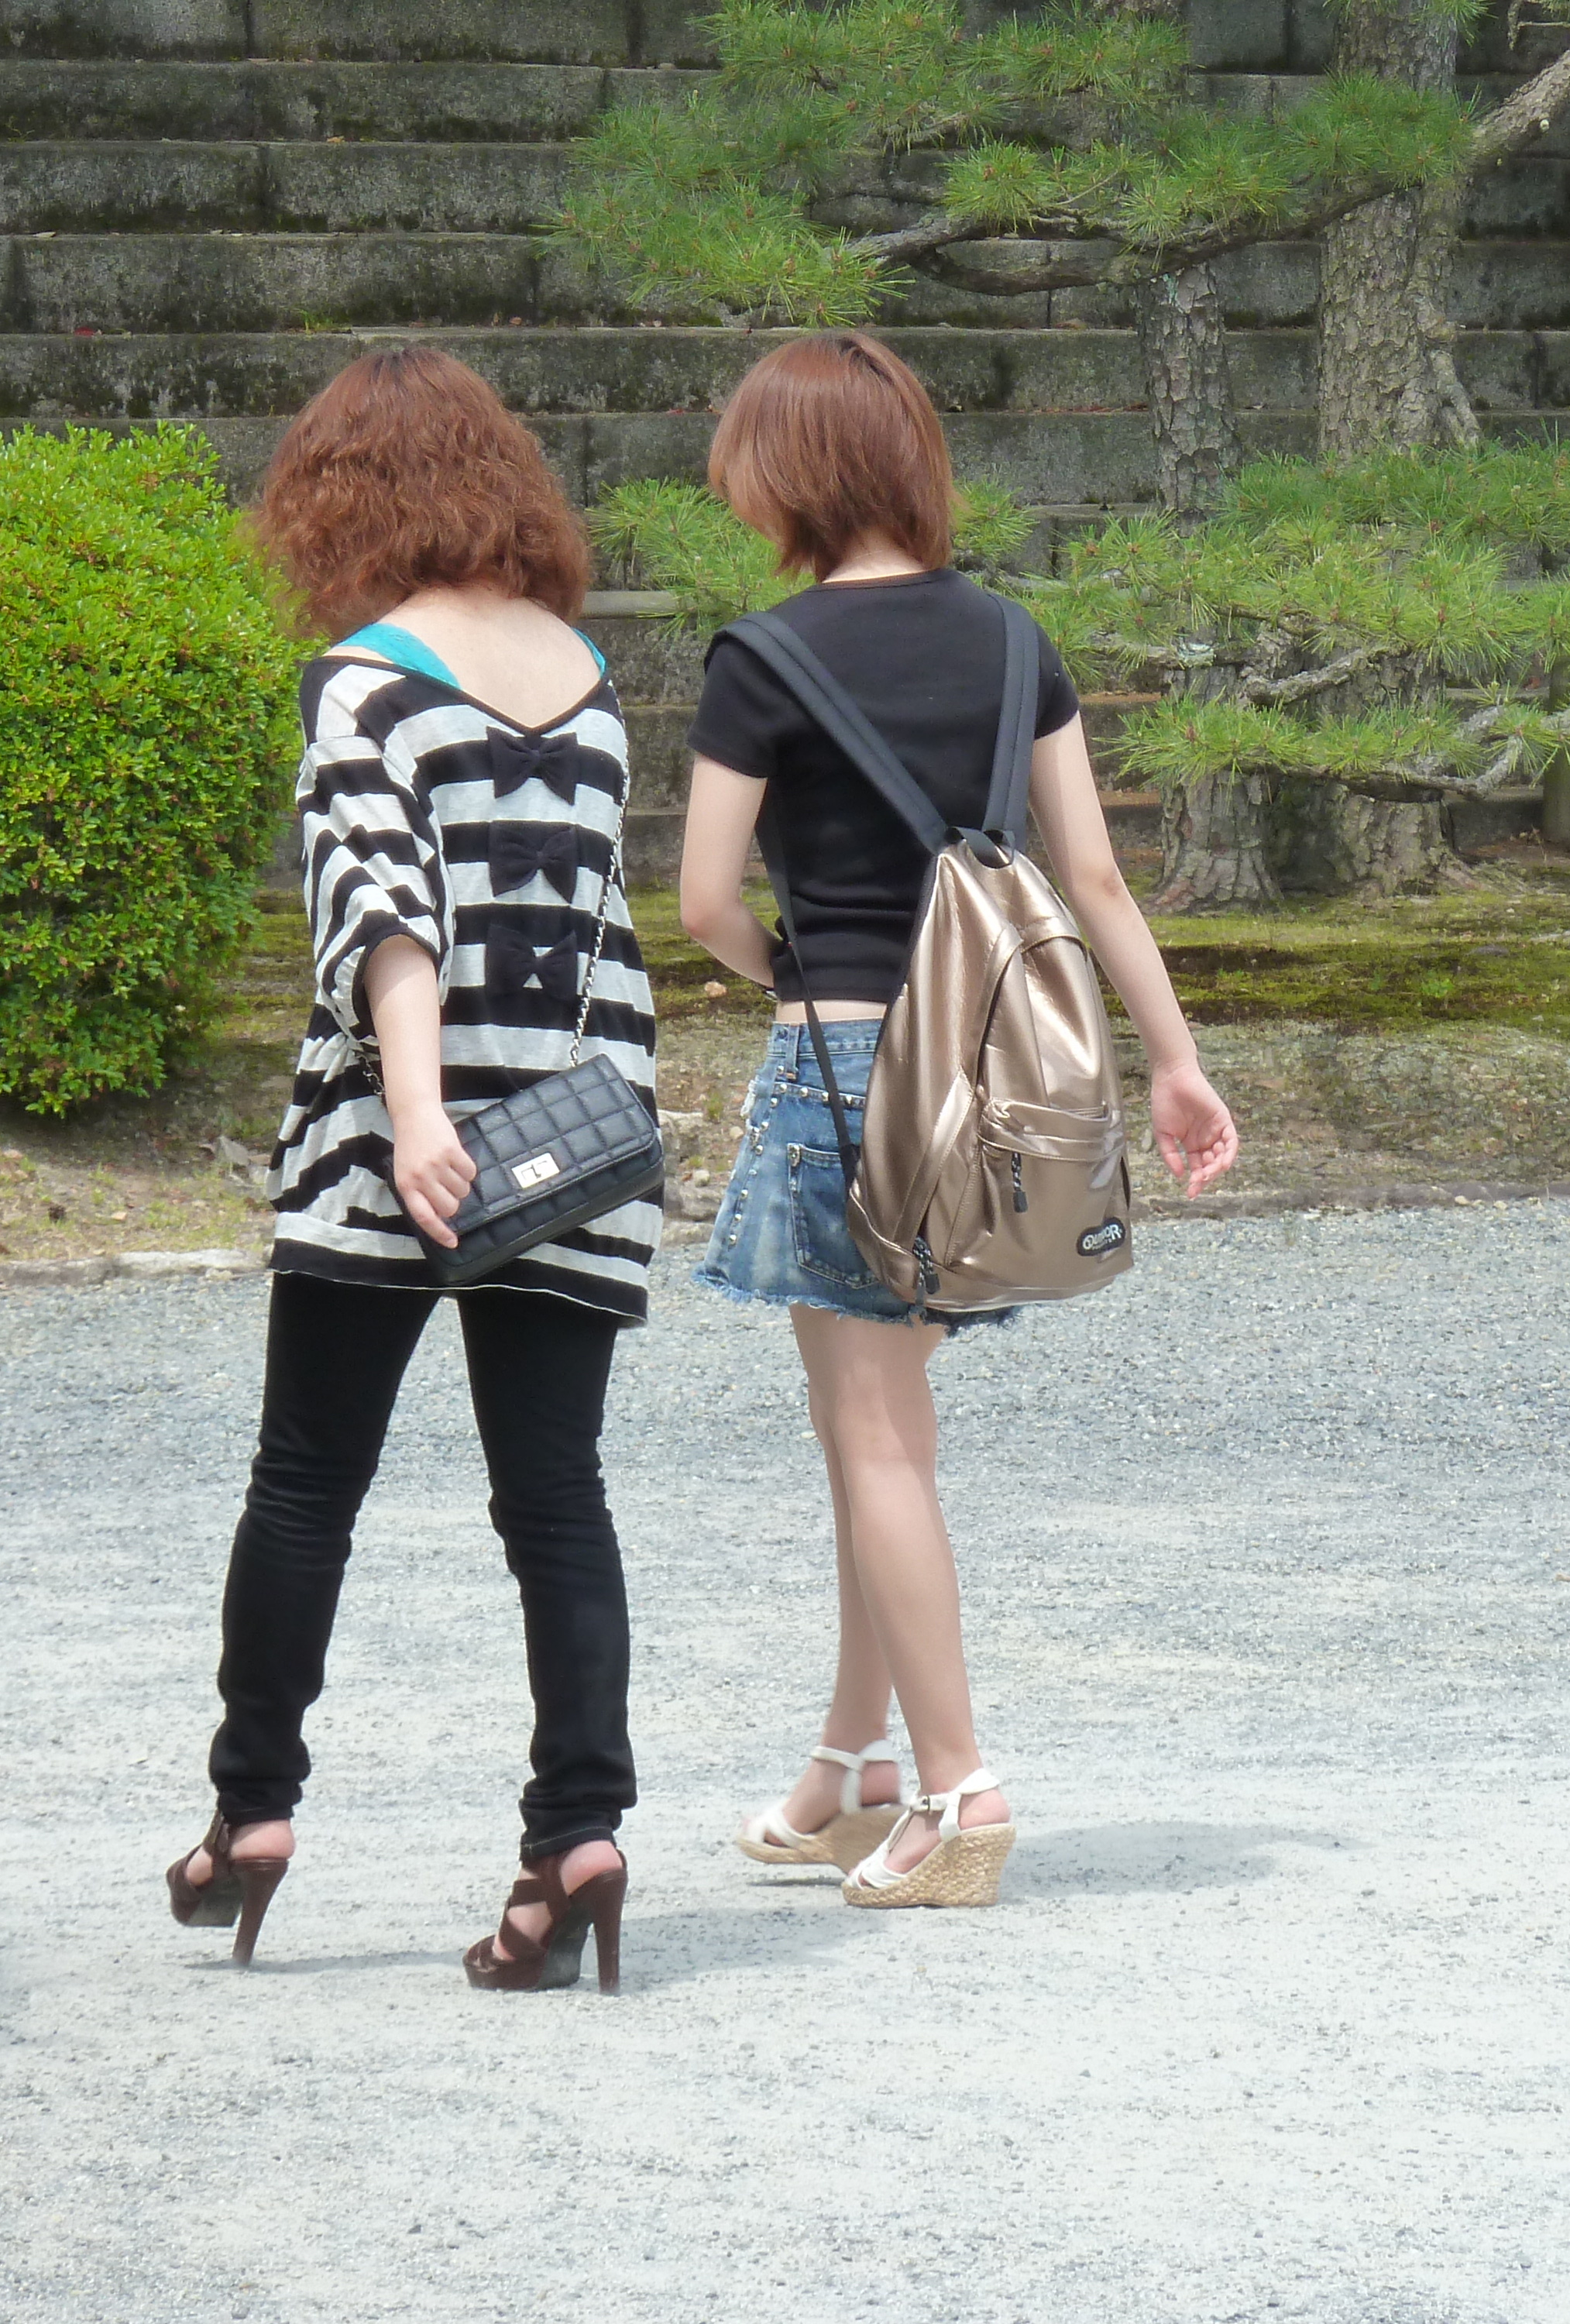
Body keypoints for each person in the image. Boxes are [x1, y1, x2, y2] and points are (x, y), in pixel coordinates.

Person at [678, 331, 1240, 1909]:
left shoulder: (761, 656)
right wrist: (1176, 1065)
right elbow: (1096, 878)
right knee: (879, 1431)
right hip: (991, 1083)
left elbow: (705, 896)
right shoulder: (1009, 642)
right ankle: (848, 1771)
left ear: (784, 472)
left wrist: (788, 972)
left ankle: (959, 1795)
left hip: (848, 1073)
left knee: (870, 1439)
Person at [164, 345, 655, 1991]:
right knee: (556, 1503)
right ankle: (574, 1838)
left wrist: (420, 1113)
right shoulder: (589, 683)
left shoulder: (360, 680)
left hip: (400, 1138)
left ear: (337, 499)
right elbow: (592, 937)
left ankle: (252, 1813)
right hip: (574, 1144)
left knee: (307, 1483)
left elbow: (383, 911)